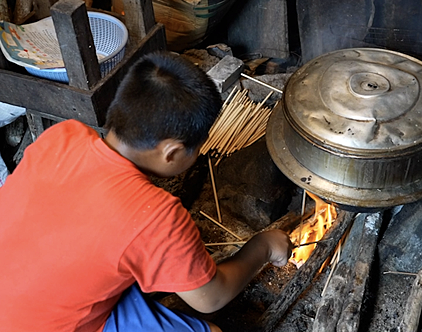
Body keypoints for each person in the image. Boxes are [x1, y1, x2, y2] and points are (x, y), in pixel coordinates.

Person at [0, 51, 293, 332]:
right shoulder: (154, 217)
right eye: (198, 148)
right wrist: (263, 246)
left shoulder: (64, 135)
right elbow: (211, 297)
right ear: (172, 153)